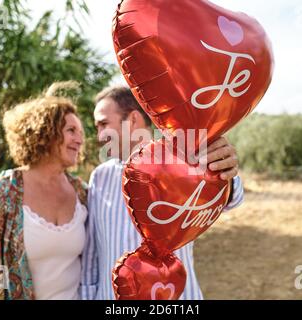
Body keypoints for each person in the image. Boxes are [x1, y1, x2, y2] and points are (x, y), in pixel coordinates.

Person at [80, 86, 244, 300]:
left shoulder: (182, 164)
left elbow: (234, 199)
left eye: (103, 124)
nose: (100, 135)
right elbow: (92, 255)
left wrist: (224, 168)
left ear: (133, 119)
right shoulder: (99, 176)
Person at [0, 82, 88, 300]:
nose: (80, 140)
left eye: (81, 133)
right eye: (71, 130)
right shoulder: (2, 192)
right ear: (44, 131)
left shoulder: (82, 193)